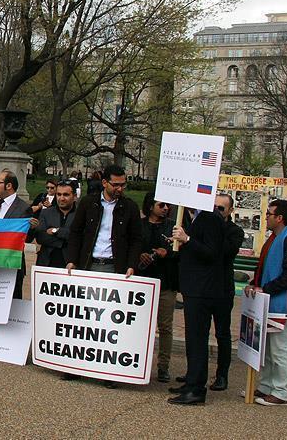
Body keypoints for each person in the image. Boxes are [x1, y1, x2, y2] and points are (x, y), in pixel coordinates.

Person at [65, 164, 142, 387]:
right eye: (116, 184)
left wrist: (131, 264)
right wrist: (72, 259)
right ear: (105, 183)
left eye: (123, 184)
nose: (120, 188)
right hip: (88, 265)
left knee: (109, 320)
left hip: (113, 267)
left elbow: (136, 238)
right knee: (83, 319)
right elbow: (76, 232)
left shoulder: (129, 207)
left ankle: (108, 371)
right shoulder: (88, 203)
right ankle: (76, 365)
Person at [246, 199, 287, 406]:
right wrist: (255, 284)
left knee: (280, 350)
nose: (266, 218)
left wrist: (266, 288)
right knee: (268, 350)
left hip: (281, 304)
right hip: (269, 302)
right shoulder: (274, 240)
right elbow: (264, 269)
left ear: (280, 218)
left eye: (269, 214)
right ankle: (267, 386)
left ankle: (281, 391)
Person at [166, 206, 225, 405]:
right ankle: (191, 382)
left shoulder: (211, 218)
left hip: (203, 288)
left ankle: (196, 389)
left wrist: (188, 239)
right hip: (193, 286)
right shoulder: (196, 217)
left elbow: (211, 252)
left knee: (197, 338)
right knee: (192, 338)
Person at [138, 193, 178, 383]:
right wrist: (140, 255)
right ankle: (137, 361)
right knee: (140, 325)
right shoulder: (139, 225)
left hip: (166, 282)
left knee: (165, 326)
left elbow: (182, 252)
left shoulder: (173, 227)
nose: (165, 208)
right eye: (161, 205)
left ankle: (163, 366)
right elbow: (131, 245)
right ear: (150, 206)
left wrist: (167, 253)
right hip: (142, 281)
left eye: (168, 205)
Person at [209, 194, 244, 390]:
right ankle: (194, 372)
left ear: (230, 211)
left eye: (220, 208)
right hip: (204, 287)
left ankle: (222, 375)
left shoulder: (235, 231)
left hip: (222, 288)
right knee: (197, 331)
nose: (216, 211)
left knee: (222, 333)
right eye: (213, 207)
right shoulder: (203, 226)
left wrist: (217, 227)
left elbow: (225, 252)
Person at [0, 169, 34, 298]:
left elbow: (26, 238)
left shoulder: (23, 208)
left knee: (11, 305)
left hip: (10, 266)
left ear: (8, 186)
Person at [35, 180, 77, 268]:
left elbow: (80, 237)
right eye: (59, 194)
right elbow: (40, 237)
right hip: (46, 264)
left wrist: (56, 231)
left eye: (66, 195)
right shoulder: (46, 213)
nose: (61, 198)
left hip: (70, 266)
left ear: (75, 197)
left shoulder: (80, 215)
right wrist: (65, 241)